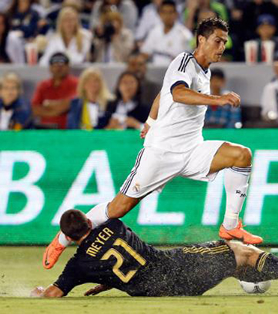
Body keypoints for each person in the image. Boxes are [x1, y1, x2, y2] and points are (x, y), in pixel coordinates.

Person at [43, 17, 264, 270]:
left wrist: (150, 120)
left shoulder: (205, 70)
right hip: (161, 153)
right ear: (201, 39)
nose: (222, 47)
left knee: (241, 155)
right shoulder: (183, 62)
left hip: (192, 149)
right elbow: (177, 93)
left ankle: (231, 224)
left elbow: (163, 93)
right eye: (217, 40)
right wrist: (218, 99)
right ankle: (62, 239)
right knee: (118, 208)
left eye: (224, 42)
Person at [33, 209, 278, 297]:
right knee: (239, 251)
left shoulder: (78, 266)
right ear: (89, 221)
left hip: (163, 291)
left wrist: (39, 292)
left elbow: (55, 293)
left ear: (72, 240)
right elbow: (112, 223)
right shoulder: (113, 224)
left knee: (233, 265)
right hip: (175, 267)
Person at [31, 52, 79, 129]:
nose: (58, 68)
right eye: (55, 65)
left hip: (67, 129)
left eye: (62, 65)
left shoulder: (76, 83)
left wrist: (48, 105)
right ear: (50, 67)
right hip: (45, 129)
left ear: (68, 67)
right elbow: (35, 109)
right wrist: (58, 109)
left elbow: (69, 105)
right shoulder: (43, 85)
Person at [140, 0, 192, 67]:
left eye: (170, 12)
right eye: (164, 12)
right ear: (160, 14)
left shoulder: (185, 34)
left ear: (176, 14)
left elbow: (190, 58)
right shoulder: (154, 31)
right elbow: (145, 52)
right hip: (154, 70)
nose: (167, 16)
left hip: (176, 71)